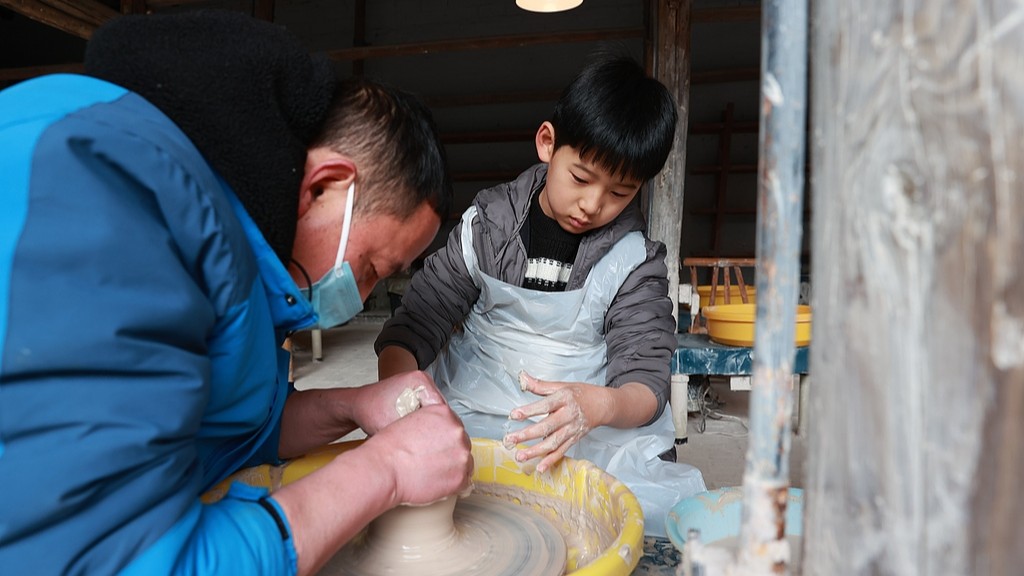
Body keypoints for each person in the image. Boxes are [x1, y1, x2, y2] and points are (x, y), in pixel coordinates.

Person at [0, 10, 471, 576]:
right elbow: (119, 561)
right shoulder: (106, 189)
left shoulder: (231, 235)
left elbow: (231, 426)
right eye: (372, 265)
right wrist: (387, 471)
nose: (362, 291)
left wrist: (350, 405)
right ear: (323, 186)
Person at [375, 51, 706, 537]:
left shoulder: (634, 259)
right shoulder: (487, 226)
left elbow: (645, 383)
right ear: (548, 143)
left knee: (626, 519)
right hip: (471, 407)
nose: (592, 205)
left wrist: (597, 407)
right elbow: (413, 326)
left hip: (583, 426)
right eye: (581, 178)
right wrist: (407, 409)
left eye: (620, 192)